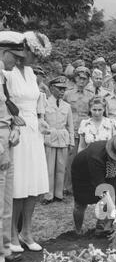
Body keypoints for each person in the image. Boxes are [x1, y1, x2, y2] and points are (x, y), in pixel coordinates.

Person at [6, 31, 51, 252]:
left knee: (35, 183)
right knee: (19, 184)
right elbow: (6, 102)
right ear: (24, 51)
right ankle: (12, 232)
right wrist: (13, 121)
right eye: (34, 53)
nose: (36, 59)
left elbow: (36, 102)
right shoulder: (8, 71)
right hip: (17, 130)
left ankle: (27, 231)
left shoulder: (32, 73)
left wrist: (41, 120)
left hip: (34, 131)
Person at [71, 133, 116, 236]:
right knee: (80, 203)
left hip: (109, 172)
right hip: (84, 173)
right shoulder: (95, 155)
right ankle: (78, 230)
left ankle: (101, 228)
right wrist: (114, 211)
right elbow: (101, 186)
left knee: (113, 194)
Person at [0, 31, 24, 262]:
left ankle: (5, 248)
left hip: (7, 135)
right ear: (3, 52)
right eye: (14, 56)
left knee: (7, 199)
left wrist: (15, 129)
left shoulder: (3, 76)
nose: (17, 61)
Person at [43, 76, 74, 204]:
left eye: (64, 89)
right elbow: (42, 122)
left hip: (62, 138)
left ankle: (59, 193)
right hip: (50, 137)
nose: (62, 91)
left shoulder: (67, 106)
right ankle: (48, 195)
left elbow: (70, 125)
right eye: (59, 88)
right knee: (49, 167)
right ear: (51, 88)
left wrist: (71, 141)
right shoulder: (44, 103)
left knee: (61, 167)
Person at [63, 66, 94, 194]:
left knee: (85, 160)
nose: (82, 81)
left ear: (88, 81)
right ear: (75, 78)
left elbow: (93, 113)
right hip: (72, 130)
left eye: (85, 79)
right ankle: (67, 187)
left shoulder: (91, 95)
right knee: (70, 160)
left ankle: (83, 186)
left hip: (86, 132)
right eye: (79, 78)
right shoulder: (67, 94)